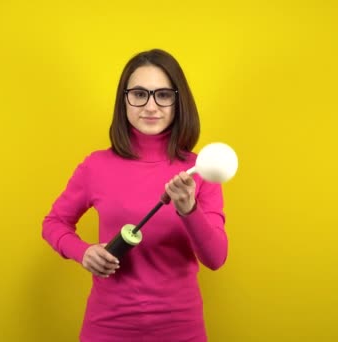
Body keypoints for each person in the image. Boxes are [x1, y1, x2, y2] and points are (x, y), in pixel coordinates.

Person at [42, 49, 228, 342]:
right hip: (107, 326)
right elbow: (54, 222)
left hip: (181, 329)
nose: (151, 106)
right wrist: (83, 252)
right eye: (139, 94)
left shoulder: (199, 171)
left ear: (178, 102)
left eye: (163, 95)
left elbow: (216, 258)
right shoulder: (96, 165)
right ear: (124, 100)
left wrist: (188, 209)